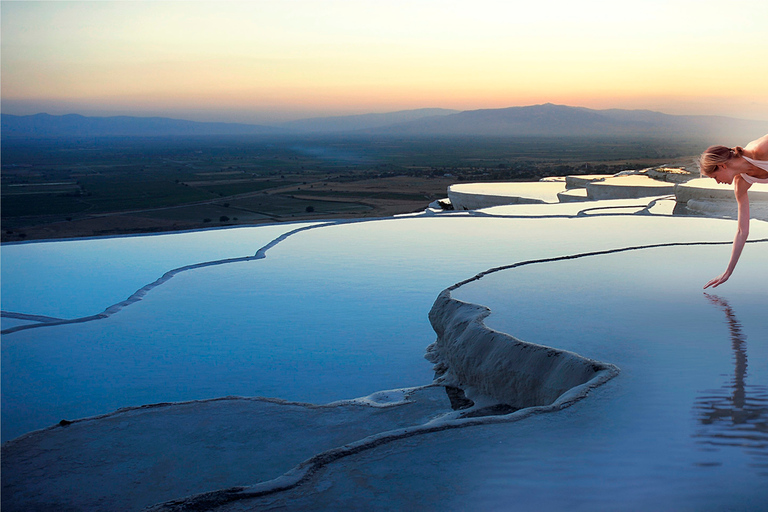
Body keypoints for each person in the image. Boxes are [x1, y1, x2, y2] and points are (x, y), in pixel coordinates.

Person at [699, 134, 768, 288]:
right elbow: (742, 231)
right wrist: (728, 271)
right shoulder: (741, 182)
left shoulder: (760, 150)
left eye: (714, 176)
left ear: (722, 165)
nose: (717, 182)